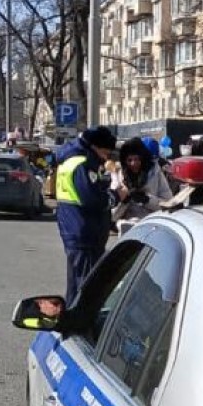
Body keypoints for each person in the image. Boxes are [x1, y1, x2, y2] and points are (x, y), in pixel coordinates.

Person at [54, 125, 118, 303]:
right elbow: (93, 200)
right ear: (96, 147)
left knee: (76, 284)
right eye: (105, 152)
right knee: (86, 288)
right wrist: (115, 195)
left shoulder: (71, 160)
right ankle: (78, 325)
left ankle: (72, 321)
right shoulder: (82, 164)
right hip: (84, 234)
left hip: (76, 229)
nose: (105, 158)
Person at [112, 136, 173, 229]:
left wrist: (147, 199)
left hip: (152, 226)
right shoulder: (119, 176)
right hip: (128, 228)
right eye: (129, 160)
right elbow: (112, 216)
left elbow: (169, 205)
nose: (133, 163)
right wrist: (125, 200)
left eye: (137, 159)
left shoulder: (156, 173)